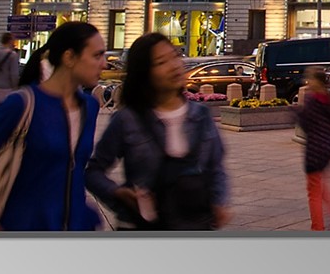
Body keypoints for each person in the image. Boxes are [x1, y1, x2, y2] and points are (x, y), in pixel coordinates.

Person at [0, 21, 105, 231]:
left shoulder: (90, 107)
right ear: (69, 57)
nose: (104, 63)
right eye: (97, 55)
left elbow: (72, 173)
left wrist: (86, 216)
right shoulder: (21, 105)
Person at [86, 32, 230, 231]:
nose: (174, 66)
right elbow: (93, 172)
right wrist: (119, 195)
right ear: (144, 74)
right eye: (161, 62)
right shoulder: (127, 120)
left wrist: (219, 202)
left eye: (175, 56)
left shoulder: (201, 116)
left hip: (195, 226)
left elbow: (216, 169)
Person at [293, 66, 330, 231]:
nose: (307, 82)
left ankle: (317, 227)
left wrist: (296, 112)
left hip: (315, 150)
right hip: (329, 147)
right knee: (319, 182)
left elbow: (305, 124)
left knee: (313, 190)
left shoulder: (311, 99)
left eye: (309, 78)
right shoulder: (327, 98)